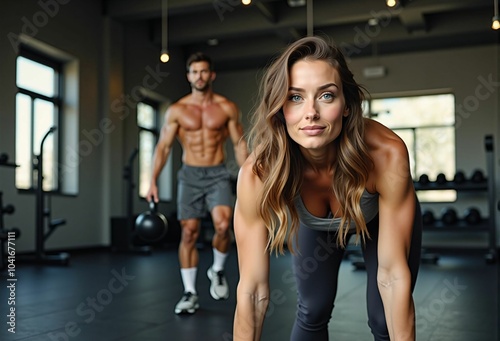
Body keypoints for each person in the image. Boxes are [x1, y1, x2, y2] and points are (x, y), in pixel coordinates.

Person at [232, 36, 422, 340]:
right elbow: (253, 291)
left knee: (383, 320)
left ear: (346, 105)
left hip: (379, 220)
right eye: (295, 97)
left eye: (326, 96)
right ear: (280, 108)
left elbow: (392, 278)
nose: (311, 113)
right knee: (312, 309)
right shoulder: (258, 173)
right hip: (316, 228)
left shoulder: (386, 155)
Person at [146, 52, 248, 315]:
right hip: (190, 175)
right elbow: (163, 147)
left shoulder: (227, 107)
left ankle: (217, 270)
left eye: (204, 71)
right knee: (189, 232)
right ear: (188, 75)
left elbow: (239, 143)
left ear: (211, 75)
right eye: (194, 72)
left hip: (217, 174)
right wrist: (152, 180)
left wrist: (248, 174)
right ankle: (190, 292)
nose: (199, 76)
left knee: (224, 226)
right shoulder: (177, 110)